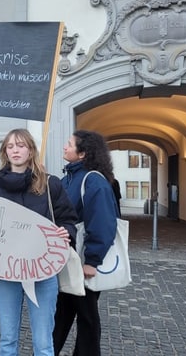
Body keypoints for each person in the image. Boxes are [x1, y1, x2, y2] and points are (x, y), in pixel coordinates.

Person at [0, 129, 77, 355]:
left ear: (31, 150)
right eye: (11, 146)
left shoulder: (49, 184)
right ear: (5, 151)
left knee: (44, 341)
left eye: (21, 145)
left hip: (43, 272)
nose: (16, 150)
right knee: (7, 339)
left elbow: (68, 219)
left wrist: (67, 232)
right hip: (6, 272)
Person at [53, 130, 119, 356]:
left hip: (82, 263)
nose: (64, 147)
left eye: (69, 144)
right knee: (62, 313)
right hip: (67, 261)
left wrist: (92, 261)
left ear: (82, 154)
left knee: (87, 318)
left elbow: (102, 223)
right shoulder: (68, 179)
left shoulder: (93, 182)